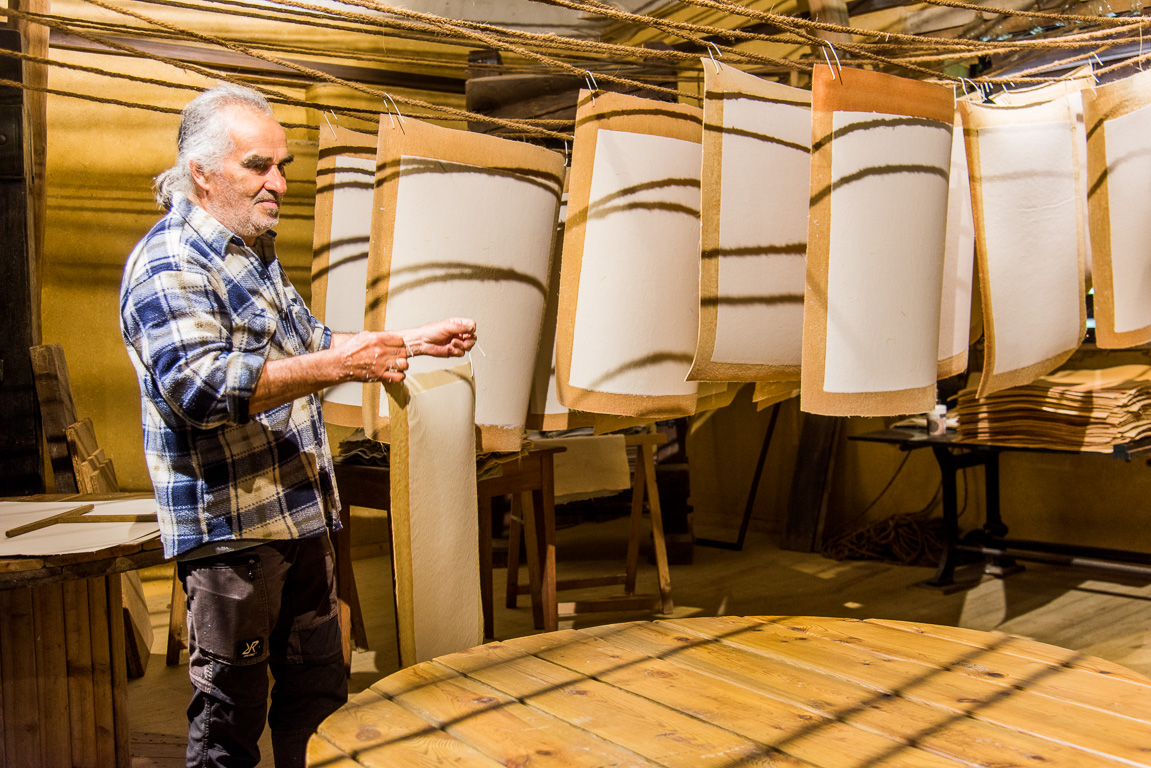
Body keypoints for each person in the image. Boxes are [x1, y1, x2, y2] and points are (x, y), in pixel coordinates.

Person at [119, 83, 476, 768]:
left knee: (318, 703)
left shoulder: (249, 252)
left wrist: (406, 341)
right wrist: (348, 364)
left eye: (282, 165)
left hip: (300, 519)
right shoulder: (172, 263)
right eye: (258, 166)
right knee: (229, 723)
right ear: (202, 171)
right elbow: (203, 387)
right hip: (235, 536)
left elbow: (310, 342)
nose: (277, 183)